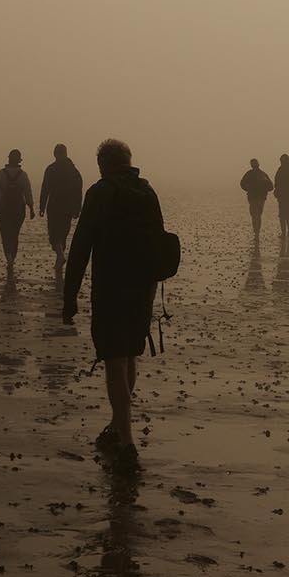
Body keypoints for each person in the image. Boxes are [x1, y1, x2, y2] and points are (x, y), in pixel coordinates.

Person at [64, 139, 165, 459]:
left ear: (103, 165)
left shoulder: (101, 192)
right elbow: (159, 241)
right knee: (130, 355)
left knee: (114, 360)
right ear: (128, 160)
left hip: (111, 287)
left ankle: (126, 438)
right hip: (143, 287)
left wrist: (69, 297)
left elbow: (81, 246)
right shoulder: (148, 192)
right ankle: (116, 424)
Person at [39, 143, 84, 280]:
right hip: (68, 207)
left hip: (54, 206)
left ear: (55, 154)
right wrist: (78, 208)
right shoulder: (74, 170)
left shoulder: (51, 169)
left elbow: (45, 188)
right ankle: (60, 259)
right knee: (63, 233)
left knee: (53, 234)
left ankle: (60, 256)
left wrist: (41, 206)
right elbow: (78, 190)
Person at [0, 149, 36, 276]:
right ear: (19, 160)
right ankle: (12, 259)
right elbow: (28, 193)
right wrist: (31, 208)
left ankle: (8, 257)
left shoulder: (1, 174)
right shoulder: (23, 175)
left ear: (8, 159)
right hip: (18, 210)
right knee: (14, 234)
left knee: (5, 234)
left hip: (3, 209)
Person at [239, 158, 273, 242]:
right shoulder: (260, 174)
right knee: (256, 215)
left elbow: (270, 186)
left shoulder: (259, 174)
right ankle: (256, 232)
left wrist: (247, 188)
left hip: (257, 198)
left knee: (255, 215)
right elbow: (242, 183)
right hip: (256, 198)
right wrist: (247, 188)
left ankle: (256, 232)